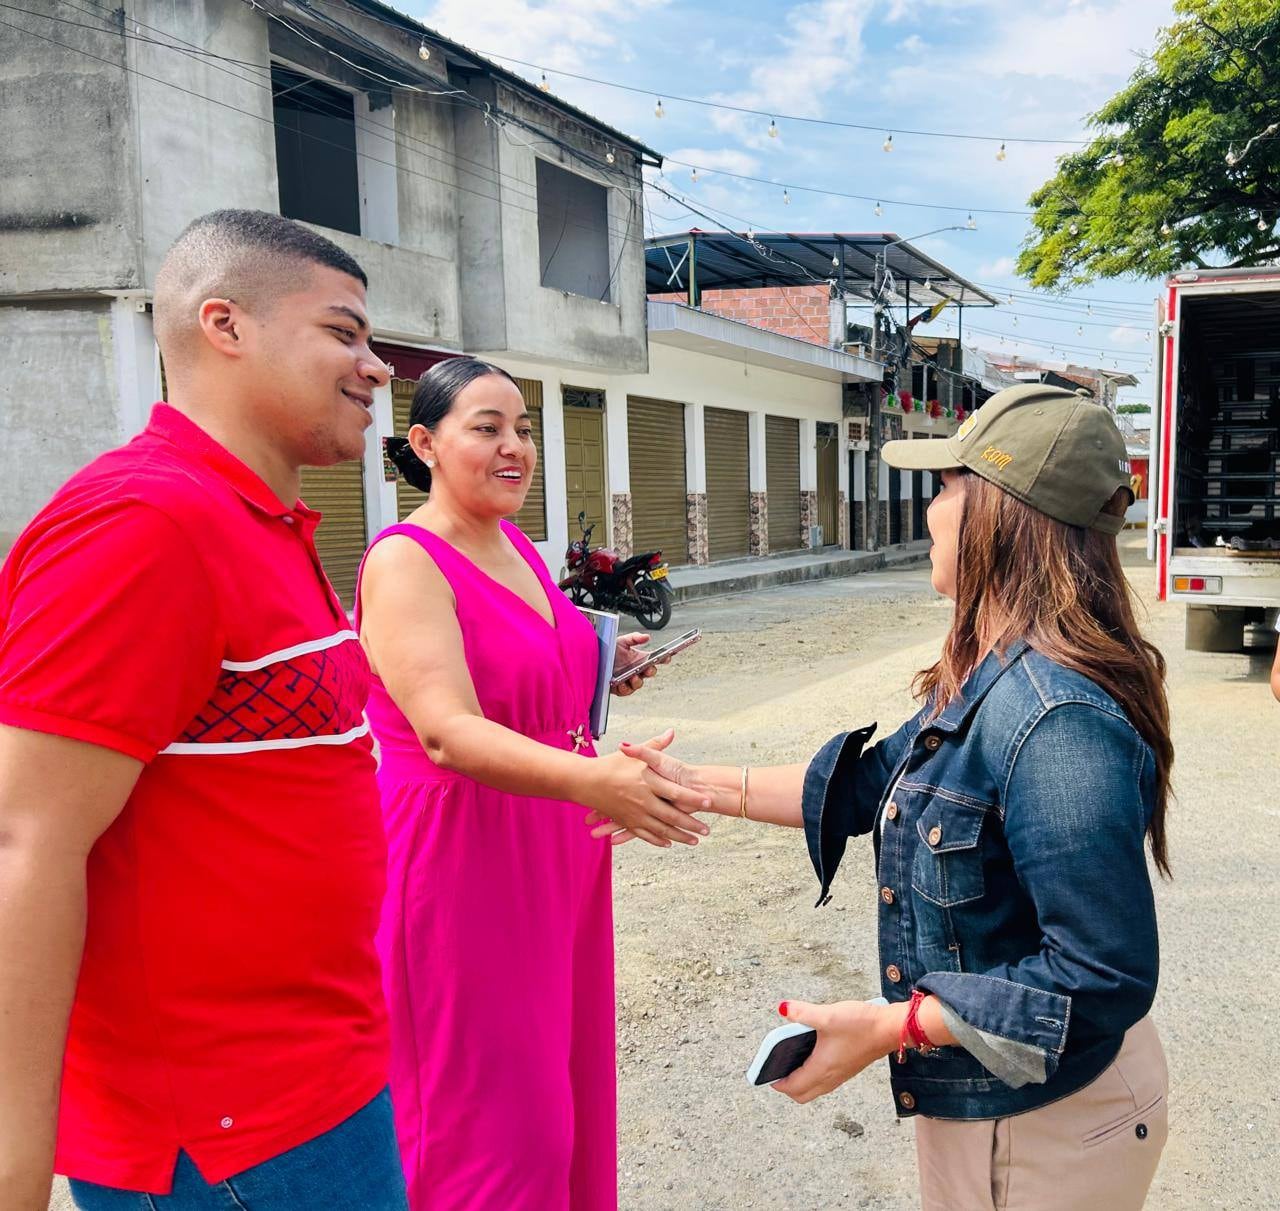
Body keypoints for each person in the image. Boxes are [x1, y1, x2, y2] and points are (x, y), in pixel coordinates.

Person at [616, 385, 1173, 1211]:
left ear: (1000, 512)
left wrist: (891, 1027)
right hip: (997, 1099)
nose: (932, 507)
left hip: (1053, 1122)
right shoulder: (989, 676)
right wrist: (684, 784)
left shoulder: (1054, 717)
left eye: (948, 484)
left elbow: (1102, 973)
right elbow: (864, 787)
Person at [0, 210, 409, 1210]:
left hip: (318, 1086)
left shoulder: (257, 520)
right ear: (224, 325)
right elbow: (23, 838)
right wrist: (15, 1170)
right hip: (220, 1143)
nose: (377, 366)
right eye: (343, 332)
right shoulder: (146, 524)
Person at [360, 357, 708, 1211]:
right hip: (465, 862)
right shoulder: (405, 561)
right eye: (487, 427)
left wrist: (596, 662)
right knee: (489, 1126)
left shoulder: (512, 539)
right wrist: (598, 780)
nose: (514, 446)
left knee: (563, 1096)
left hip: (551, 852)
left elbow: (518, 664)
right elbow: (446, 730)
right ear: (424, 443)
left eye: (524, 428)